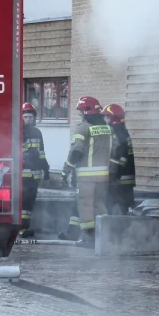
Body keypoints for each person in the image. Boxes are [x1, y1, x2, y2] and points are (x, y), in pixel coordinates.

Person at [60, 96, 113, 246]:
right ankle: (104, 236)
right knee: (100, 205)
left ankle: (88, 239)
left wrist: (66, 170)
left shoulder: (83, 128)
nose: (80, 115)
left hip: (86, 178)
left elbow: (76, 152)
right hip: (103, 177)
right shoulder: (108, 129)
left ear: (86, 111)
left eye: (80, 112)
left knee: (85, 206)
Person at [20, 102, 49, 237]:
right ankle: (22, 229)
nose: (28, 120)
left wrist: (46, 170)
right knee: (23, 203)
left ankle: (24, 228)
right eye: (25, 117)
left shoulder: (37, 132)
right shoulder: (17, 132)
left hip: (34, 176)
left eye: (30, 117)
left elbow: (41, 153)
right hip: (21, 175)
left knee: (29, 203)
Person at [103, 104, 135, 215]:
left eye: (107, 117)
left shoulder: (116, 134)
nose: (105, 119)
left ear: (113, 118)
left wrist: (114, 177)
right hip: (127, 180)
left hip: (118, 180)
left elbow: (120, 158)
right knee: (126, 211)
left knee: (108, 209)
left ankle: (109, 227)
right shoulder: (124, 132)